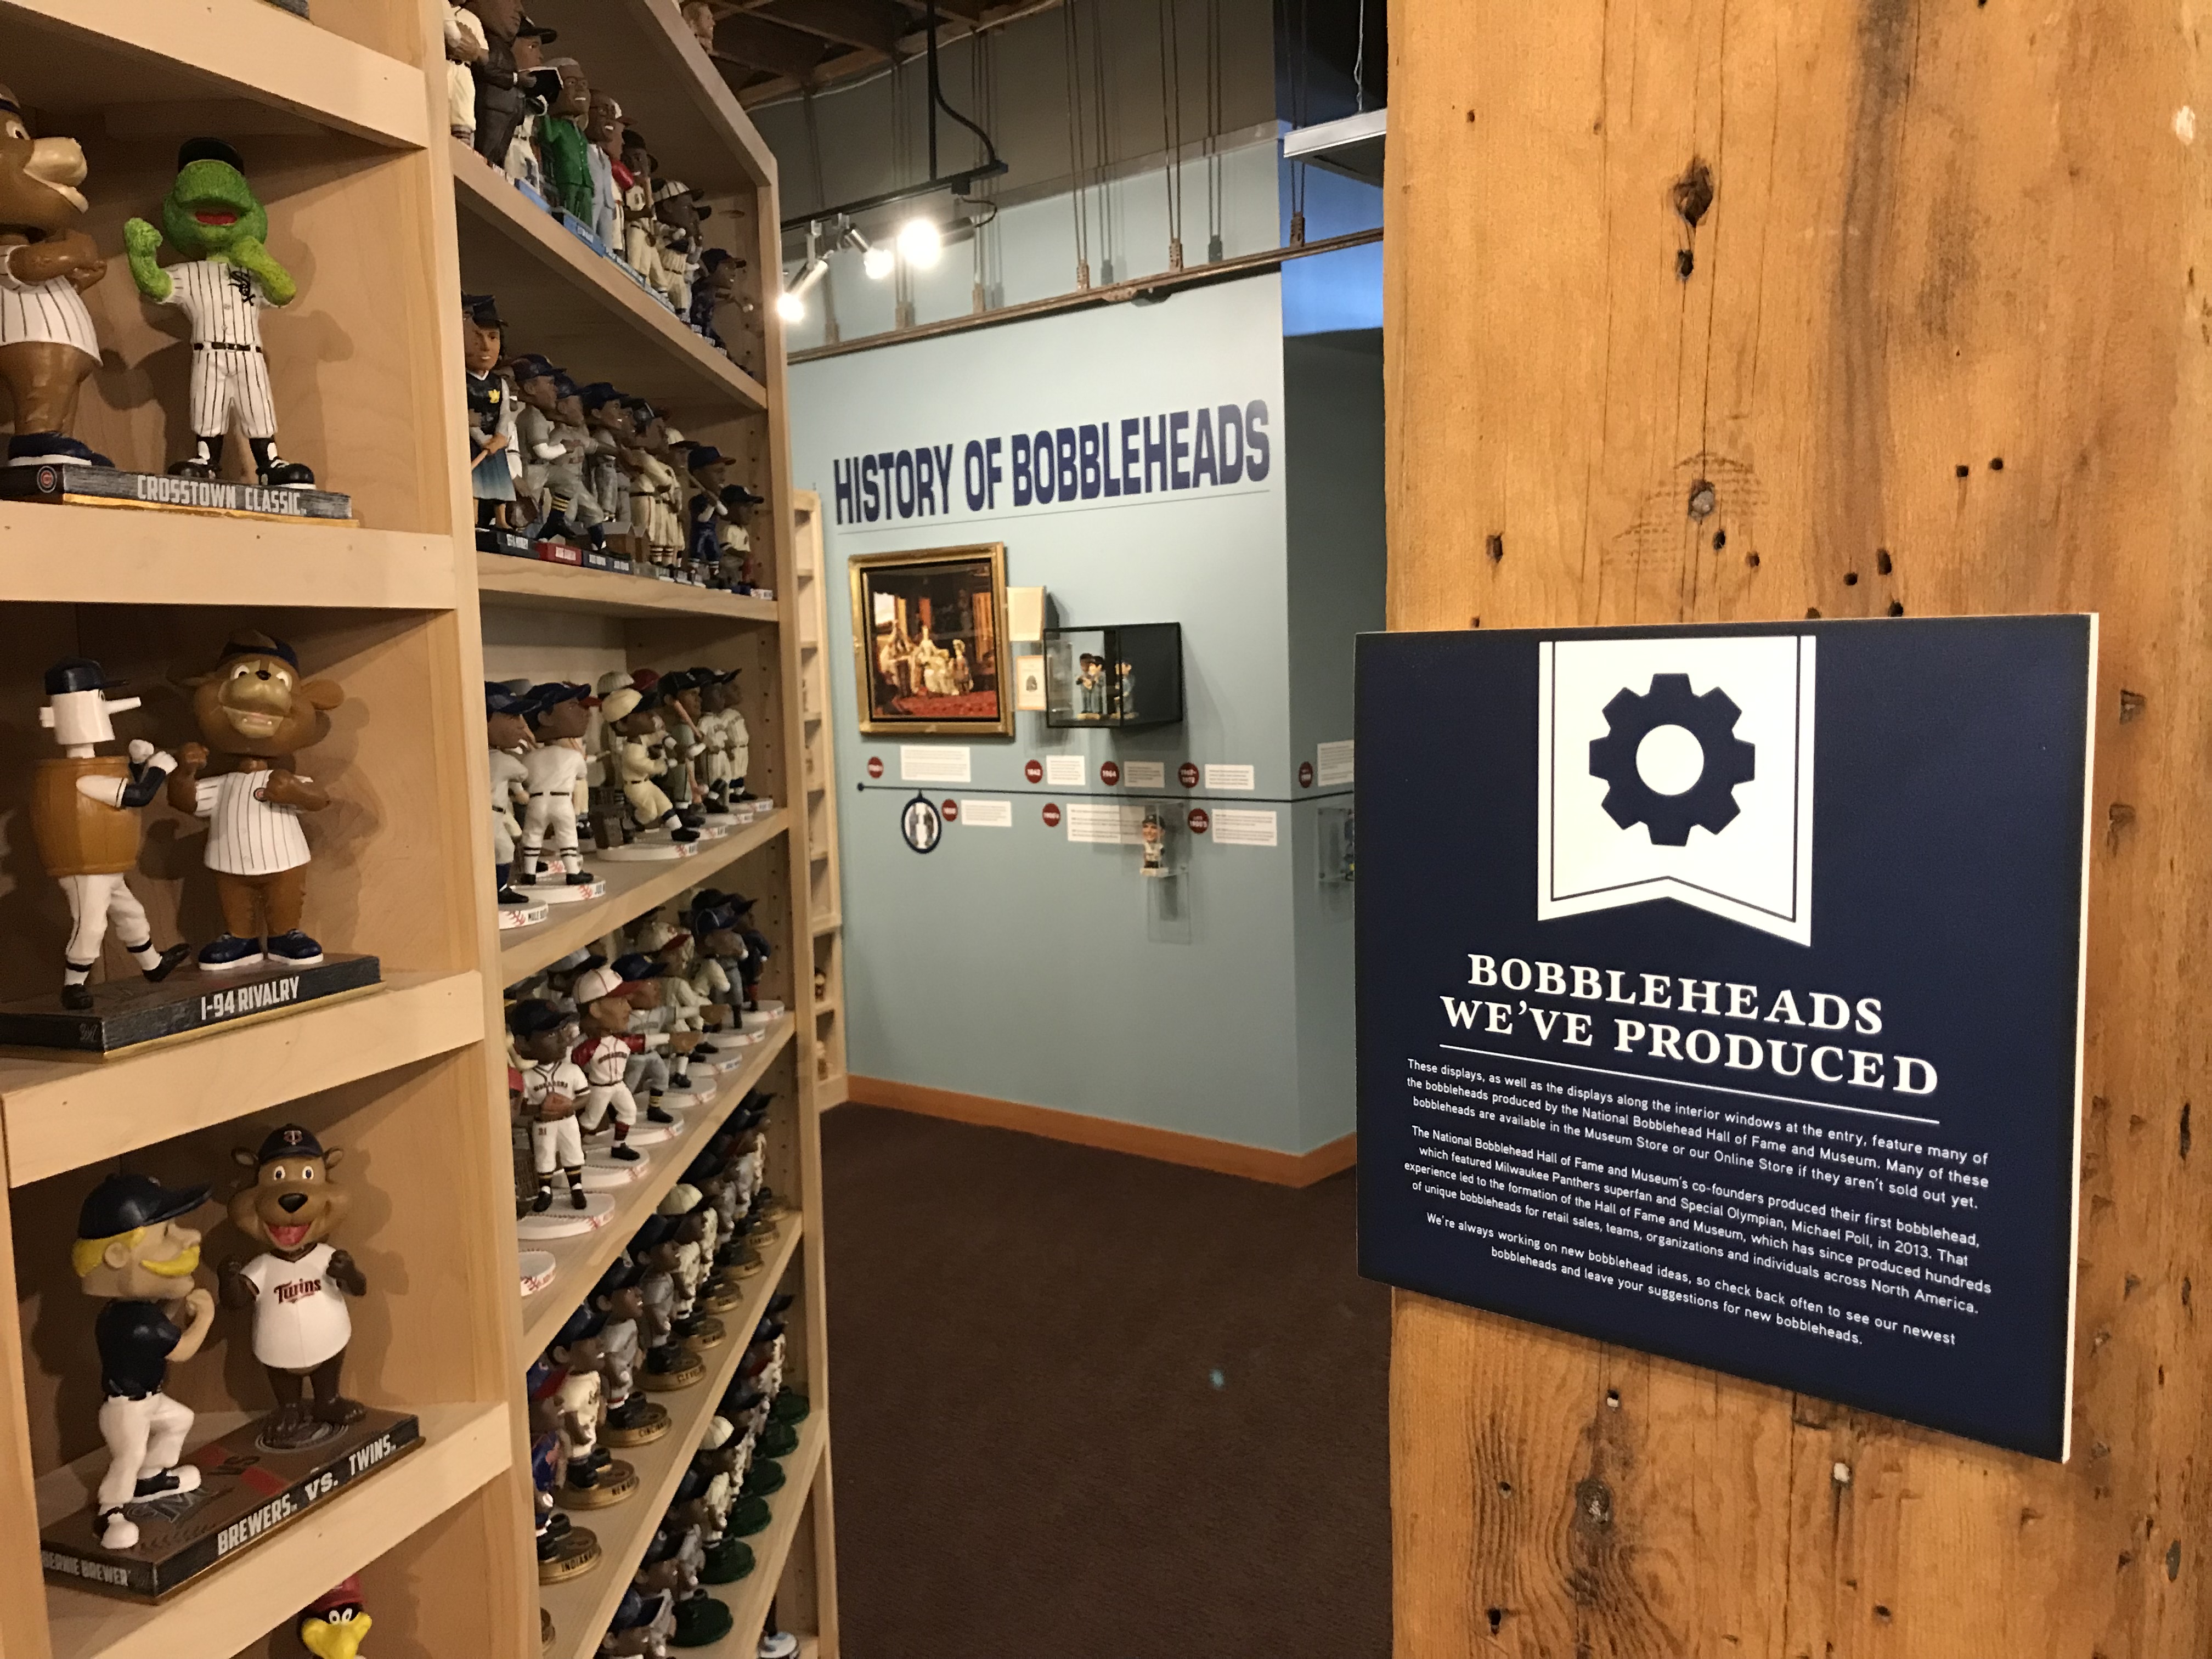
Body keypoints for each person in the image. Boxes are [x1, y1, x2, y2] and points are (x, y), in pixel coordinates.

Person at [72, 1172, 216, 1550]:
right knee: (129, 1454)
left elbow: (158, 1334)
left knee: (180, 1421)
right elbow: (181, 1350)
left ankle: (150, 1479)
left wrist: (173, 1305)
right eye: (167, 1232)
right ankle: (110, 1511)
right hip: (126, 1409)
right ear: (118, 1257)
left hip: (147, 1400)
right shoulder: (134, 1322)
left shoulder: (130, 1315)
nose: (191, 1237)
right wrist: (205, 1318)